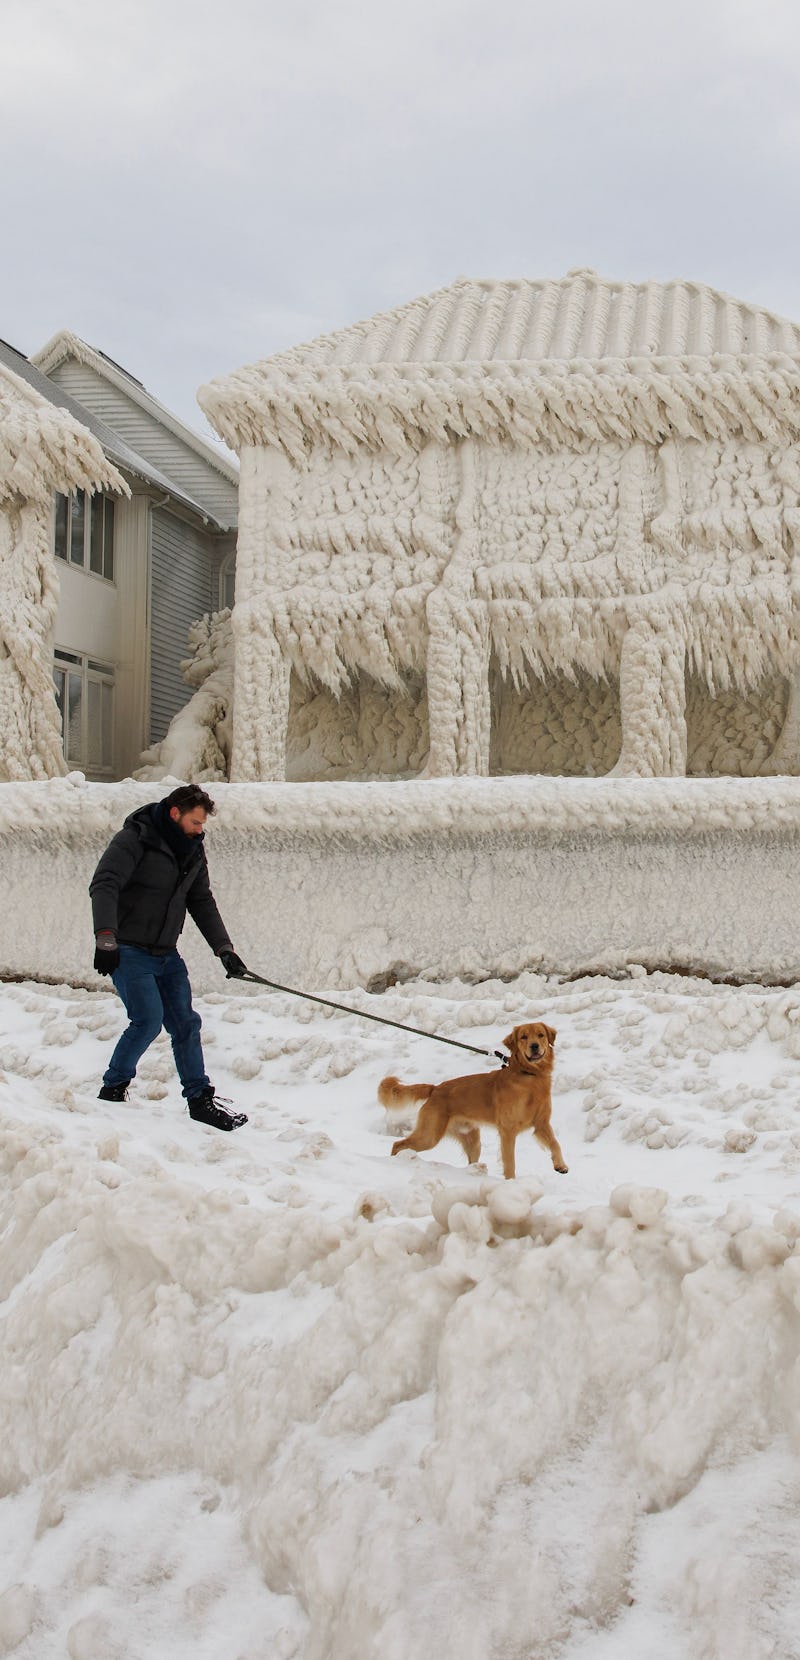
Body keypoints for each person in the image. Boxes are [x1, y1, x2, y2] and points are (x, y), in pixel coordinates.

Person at [90, 783, 249, 1131]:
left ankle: (199, 1100)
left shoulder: (191, 850)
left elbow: (201, 901)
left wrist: (225, 949)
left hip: (166, 953)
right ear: (175, 813)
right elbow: (104, 883)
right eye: (195, 822)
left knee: (186, 1024)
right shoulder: (137, 838)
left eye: (202, 824)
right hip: (128, 949)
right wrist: (105, 938)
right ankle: (113, 1087)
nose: (199, 830)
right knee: (147, 1019)